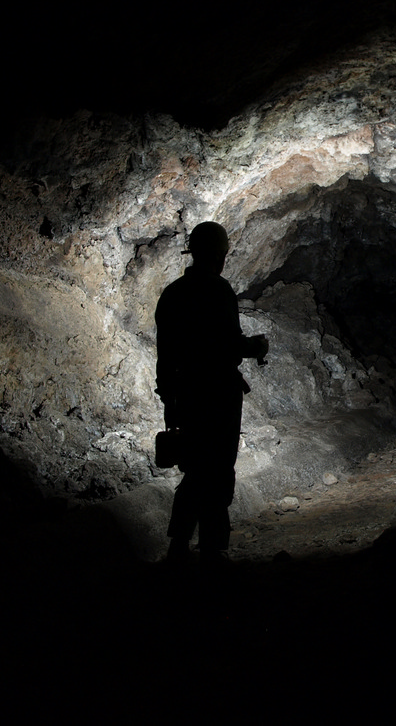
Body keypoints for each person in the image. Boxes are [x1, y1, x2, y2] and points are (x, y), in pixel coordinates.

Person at [155, 221, 268, 566]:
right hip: (217, 395)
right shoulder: (218, 291)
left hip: (185, 395)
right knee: (217, 470)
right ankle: (212, 549)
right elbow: (227, 347)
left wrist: (169, 400)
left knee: (194, 470)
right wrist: (256, 345)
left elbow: (165, 355)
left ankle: (177, 546)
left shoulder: (172, 294)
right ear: (218, 254)